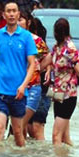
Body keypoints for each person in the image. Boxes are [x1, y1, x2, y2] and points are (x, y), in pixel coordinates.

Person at [0, 1, 37, 147]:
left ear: (18, 14)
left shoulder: (26, 37)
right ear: (4, 15)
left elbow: (32, 64)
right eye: (8, 11)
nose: (11, 14)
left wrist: (24, 86)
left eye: (14, 11)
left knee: (17, 133)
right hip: (0, 91)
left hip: (18, 93)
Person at [46, 18, 79, 146]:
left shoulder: (70, 49)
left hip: (68, 97)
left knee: (56, 135)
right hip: (57, 96)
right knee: (64, 138)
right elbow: (47, 62)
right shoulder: (56, 48)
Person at [18, 10, 49, 139]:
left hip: (33, 87)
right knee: (22, 127)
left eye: (21, 19)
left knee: (25, 125)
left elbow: (48, 57)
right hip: (15, 86)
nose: (18, 22)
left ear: (28, 22)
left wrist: (37, 69)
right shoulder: (10, 39)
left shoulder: (36, 40)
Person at [26, 18, 52, 140]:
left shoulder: (39, 43)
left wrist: (45, 69)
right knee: (29, 127)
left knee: (37, 126)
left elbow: (50, 57)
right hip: (25, 87)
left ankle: (40, 155)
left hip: (41, 88)